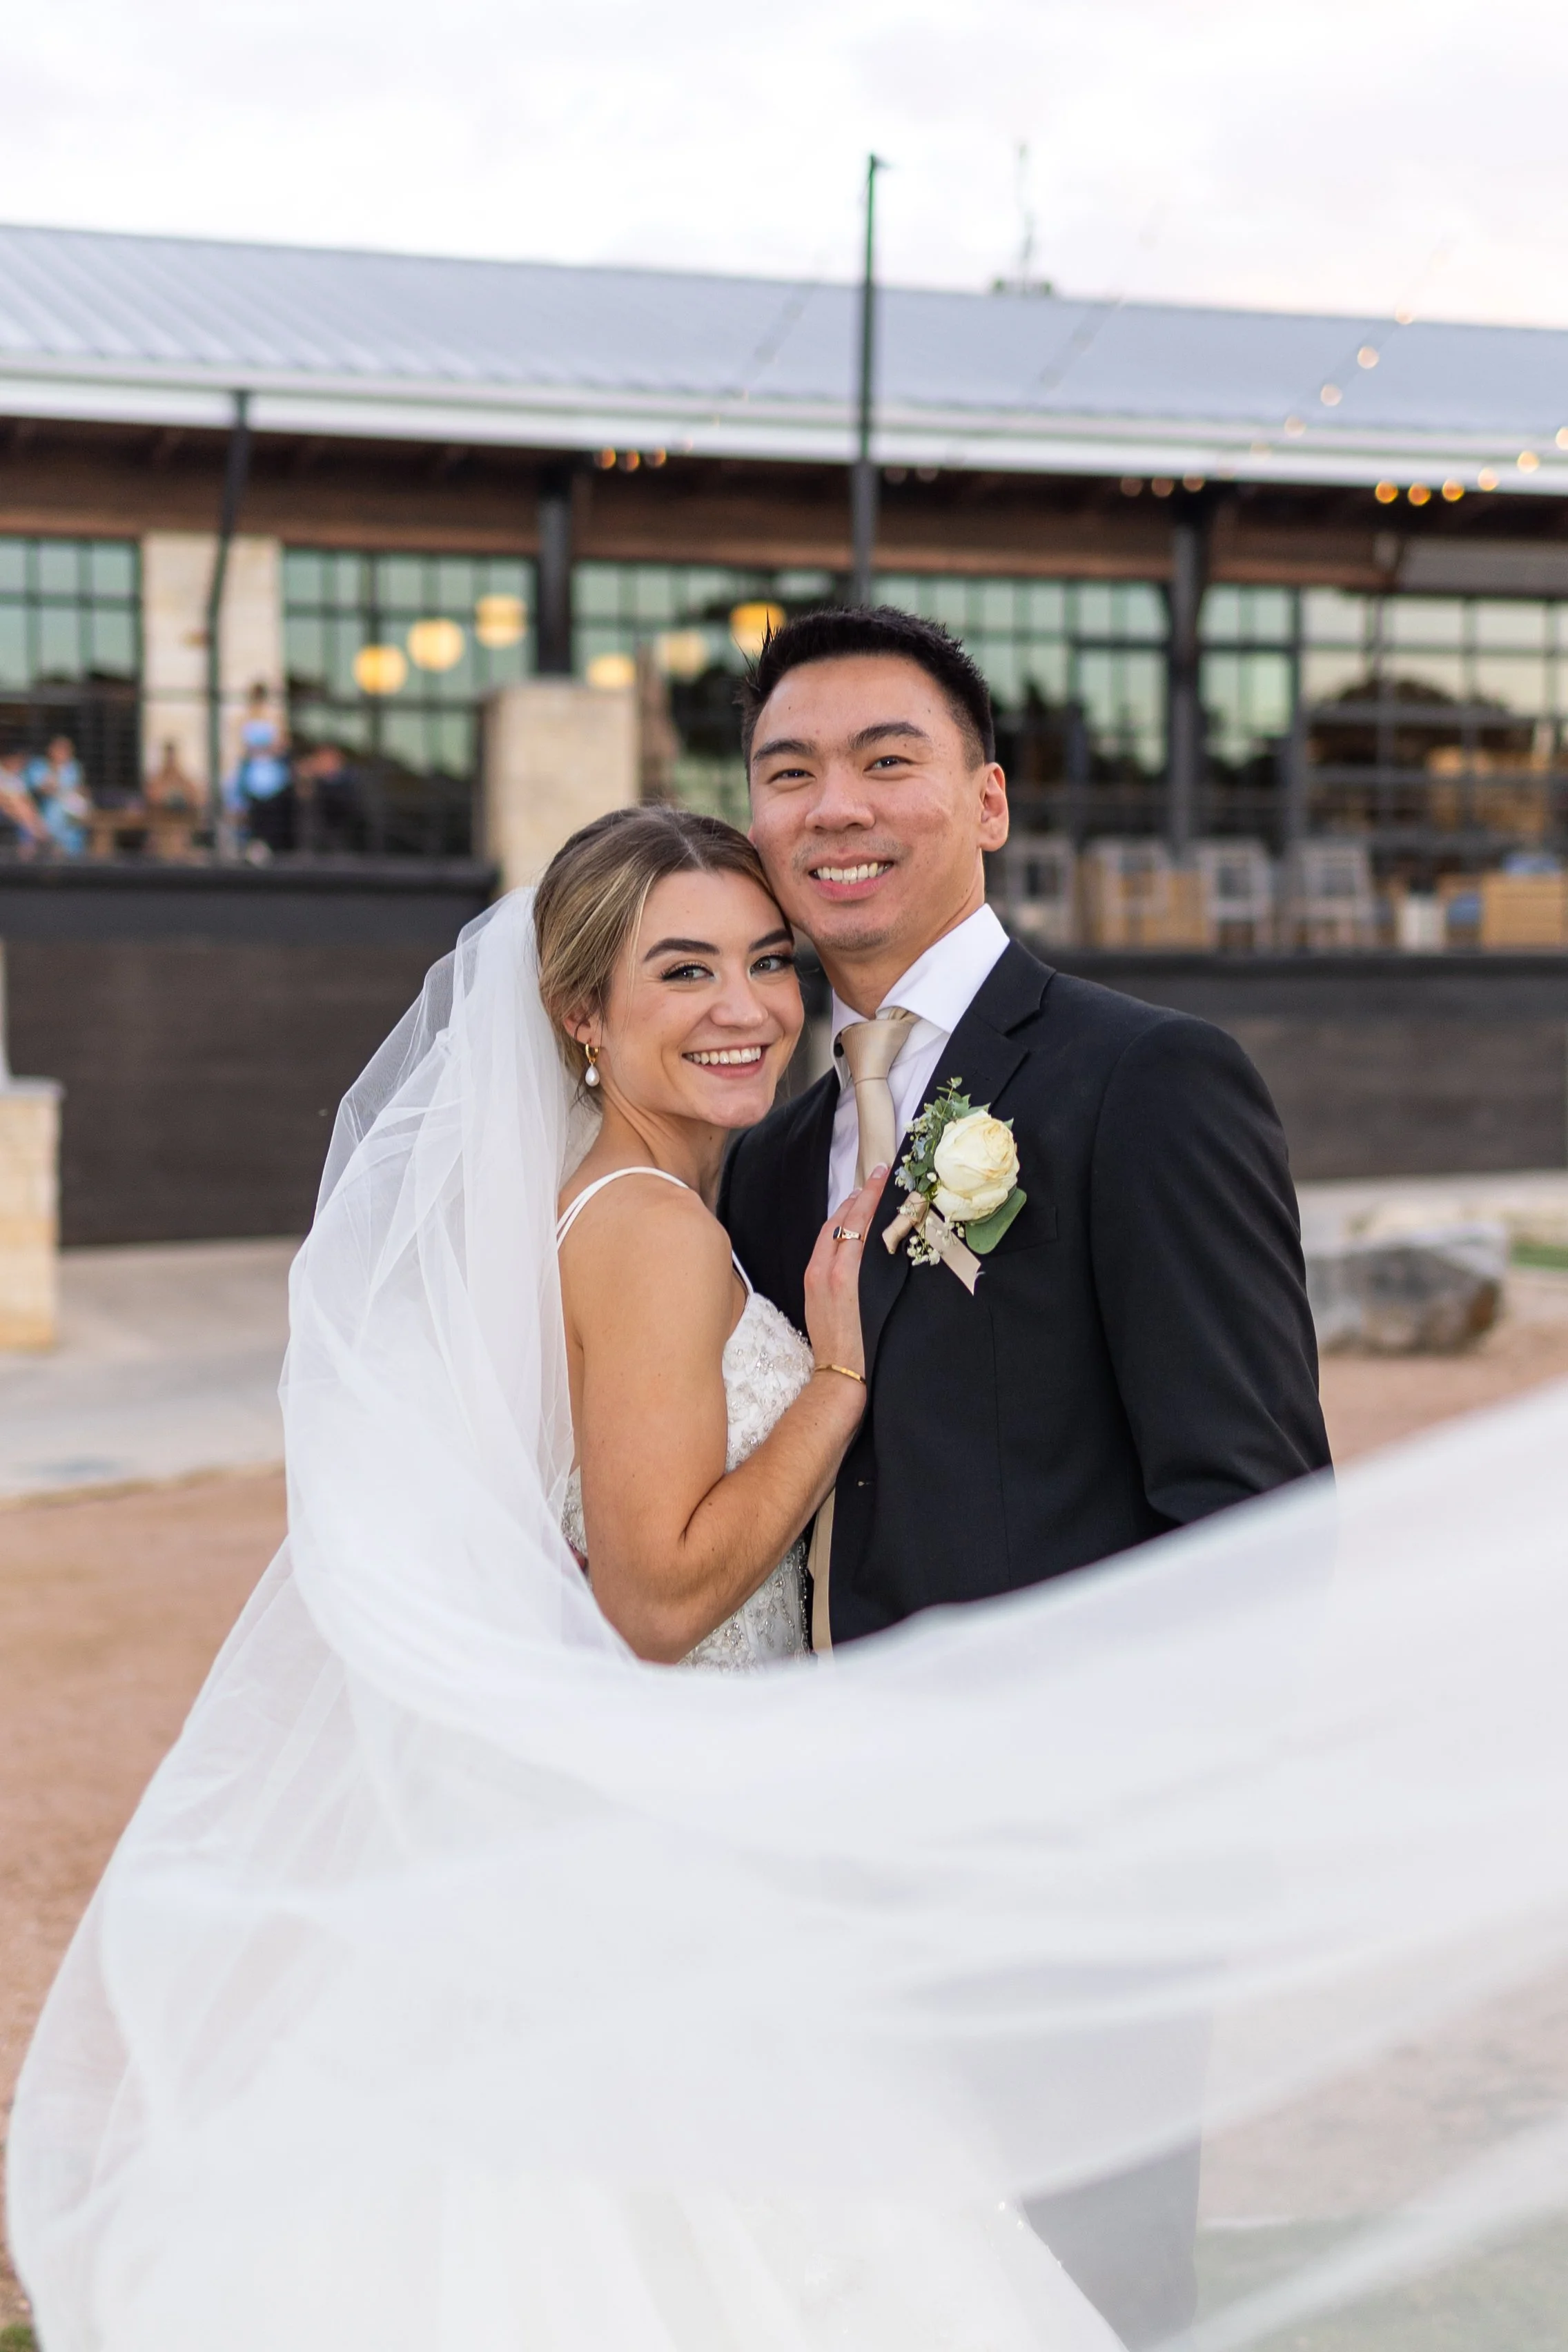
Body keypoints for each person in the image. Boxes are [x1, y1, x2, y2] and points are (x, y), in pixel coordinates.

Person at [10, 807, 1568, 2352]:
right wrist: (835, 1381)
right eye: (678, 973)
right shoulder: (647, 1230)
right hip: (683, 1862)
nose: (745, 1006)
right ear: (579, 1017)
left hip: (725, 1839)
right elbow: (657, 1597)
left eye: (763, 961)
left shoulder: (684, 1203)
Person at [721, 605, 1332, 2345]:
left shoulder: (1143, 1080)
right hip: (813, 1877)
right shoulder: (764, 1154)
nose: (834, 804)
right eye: (789, 771)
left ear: (984, 802)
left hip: (1065, 1881)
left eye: (884, 761)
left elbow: (1252, 1513)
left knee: (1073, 2307)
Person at [229, 683, 293, 853]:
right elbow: (241, 749)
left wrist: (262, 750)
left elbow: (282, 745)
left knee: (271, 815)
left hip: (271, 777)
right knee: (251, 815)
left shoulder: (273, 717)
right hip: (252, 776)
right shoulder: (244, 718)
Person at [27, 734, 90, 855]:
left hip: (71, 814)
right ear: (50, 749)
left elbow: (79, 789)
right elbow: (41, 791)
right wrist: (55, 770)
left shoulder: (73, 767)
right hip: (43, 814)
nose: (63, 752)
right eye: (60, 748)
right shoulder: (38, 766)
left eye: (67, 749)